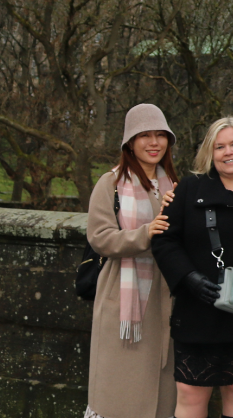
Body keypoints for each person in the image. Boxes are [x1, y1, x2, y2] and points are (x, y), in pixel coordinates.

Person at [152, 117, 233, 418]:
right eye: (219, 147)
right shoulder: (190, 188)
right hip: (197, 312)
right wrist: (188, 278)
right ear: (210, 151)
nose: (228, 152)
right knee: (190, 395)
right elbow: (164, 241)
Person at [85, 103, 178, 418]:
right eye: (145, 135)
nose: (154, 143)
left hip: (166, 298)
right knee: (120, 390)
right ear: (129, 142)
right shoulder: (110, 184)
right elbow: (100, 238)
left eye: (160, 135)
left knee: (162, 392)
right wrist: (145, 234)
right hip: (125, 303)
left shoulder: (175, 184)